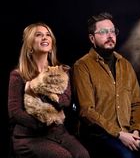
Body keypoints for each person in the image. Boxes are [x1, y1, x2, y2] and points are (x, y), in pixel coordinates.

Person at [72, 12, 140, 158]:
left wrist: (136, 130)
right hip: (99, 136)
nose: (110, 35)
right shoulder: (82, 66)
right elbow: (86, 111)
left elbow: (137, 104)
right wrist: (119, 134)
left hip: (129, 133)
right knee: (127, 157)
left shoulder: (125, 65)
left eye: (112, 31)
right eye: (104, 32)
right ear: (92, 38)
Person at [8, 22, 90, 158]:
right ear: (29, 45)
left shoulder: (60, 71)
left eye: (48, 35)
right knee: (63, 156)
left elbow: (65, 101)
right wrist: (42, 123)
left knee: (83, 154)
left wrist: (38, 89)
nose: (45, 38)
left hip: (58, 133)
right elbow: (15, 112)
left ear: (52, 44)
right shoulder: (18, 75)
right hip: (30, 136)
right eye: (38, 35)